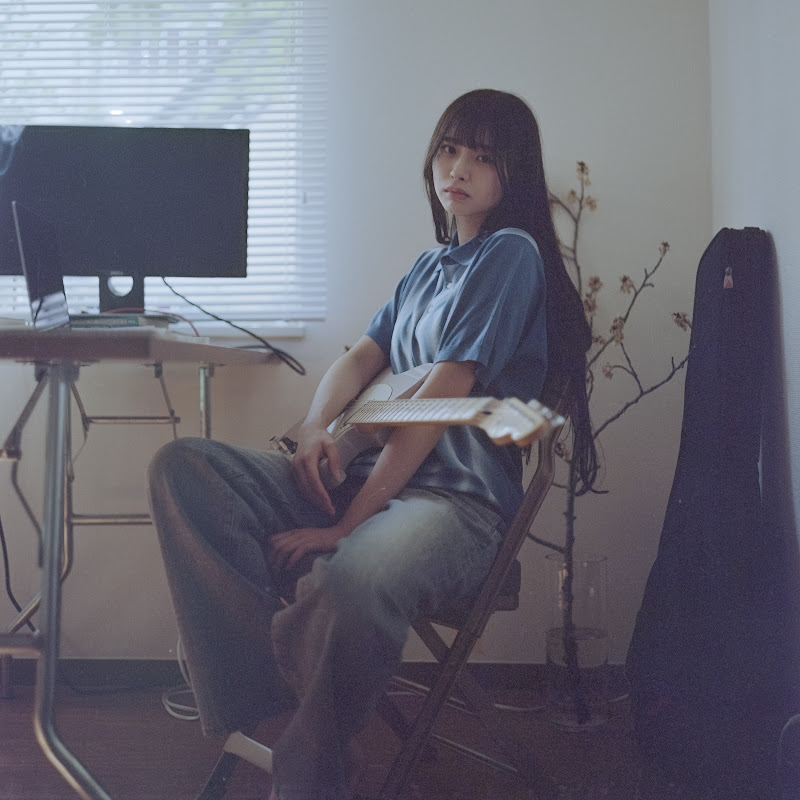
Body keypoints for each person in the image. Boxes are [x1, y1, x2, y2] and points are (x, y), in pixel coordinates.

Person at [147, 88, 597, 800]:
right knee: (186, 468)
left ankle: (311, 765)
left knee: (355, 576)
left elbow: (439, 400)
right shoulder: (427, 269)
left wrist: (345, 528)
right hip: (371, 479)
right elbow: (359, 359)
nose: (458, 168)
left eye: (483, 157)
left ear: (514, 173)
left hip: (454, 505)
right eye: (449, 149)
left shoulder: (511, 255)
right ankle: (276, 696)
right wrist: (315, 429)